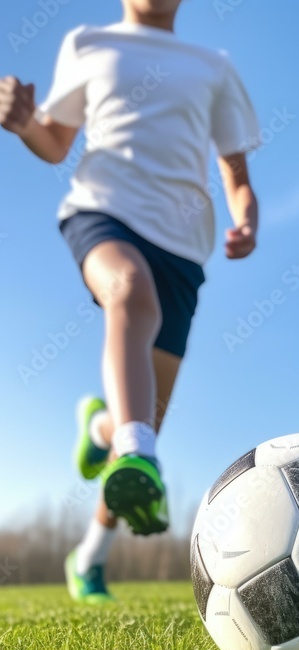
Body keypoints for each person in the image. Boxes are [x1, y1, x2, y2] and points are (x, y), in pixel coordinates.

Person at [0, 0, 260, 602]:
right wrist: (22, 122)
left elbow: (237, 175)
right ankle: (130, 446)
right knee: (129, 294)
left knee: (140, 420)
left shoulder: (213, 65)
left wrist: (246, 221)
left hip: (184, 249)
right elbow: (55, 139)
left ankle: (91, 544)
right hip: (103, 213)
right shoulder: (88, 42)